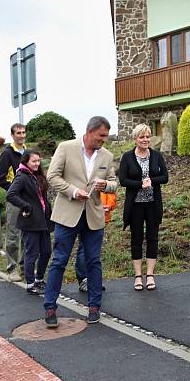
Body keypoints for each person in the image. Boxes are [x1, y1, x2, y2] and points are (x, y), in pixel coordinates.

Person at [42, 116, 117, 328]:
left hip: (93, 216)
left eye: (106, 136)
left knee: (94, 262)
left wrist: (106, 185)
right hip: (67, 215)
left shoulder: (107, 155)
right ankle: (50, 307)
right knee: (59, 261)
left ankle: (94, 307)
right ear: (90, 132)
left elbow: (114, 183)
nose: (104, 140)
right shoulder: (66, 148)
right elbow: (52, 177)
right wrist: (74, 192)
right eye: (101, 136)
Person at [118, 123, 169, 291]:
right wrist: (140, 184)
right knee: (137, 239)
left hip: (153, 203)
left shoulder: (156, 156)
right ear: (135, 139)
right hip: (136, 205)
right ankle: (138, 276)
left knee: (153, 238)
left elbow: (165, 177)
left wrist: (151, 181)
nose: (145, 139)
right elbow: (123, 180)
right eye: (142, 137)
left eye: (147, 136)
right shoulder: (127, 157)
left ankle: (150, 275)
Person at [6, 150, 53, 295]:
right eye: (34, 161)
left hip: (43, 221)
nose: (37, 164)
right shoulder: (21, 177)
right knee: (32, 254)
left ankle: (39, 279)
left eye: (39, 161)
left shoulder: (38, 175)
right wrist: (26, 206)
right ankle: (30, 284)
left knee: (46, 252)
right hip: (31, 221)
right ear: (26, 161)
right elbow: (10, 195)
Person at [0, 123, 27, 281]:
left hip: (28, 199)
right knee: (13, 234)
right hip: (15, 200)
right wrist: (13, 190)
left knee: (27, 234)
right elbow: (0, 178)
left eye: (23, 132)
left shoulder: (27, 152)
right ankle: (12, 268)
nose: (21, 135)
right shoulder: (7, 153)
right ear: (12, 135)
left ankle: (25, 267)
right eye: (18, 133)